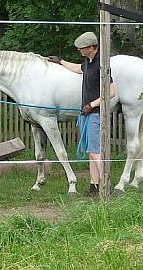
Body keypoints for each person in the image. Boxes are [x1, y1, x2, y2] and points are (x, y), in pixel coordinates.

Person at [47, 31, 116, 197]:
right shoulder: (88, 62)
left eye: (82, 48)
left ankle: (107, 185)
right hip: (87, 114)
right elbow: (78, 68)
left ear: (91, 48)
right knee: (90, 152)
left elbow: (111, 92)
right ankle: (94, 186)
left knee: (95, 151)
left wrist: (91, 105)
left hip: (96, 113)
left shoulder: (101, 65)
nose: (80, 51)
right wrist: (61, 61)